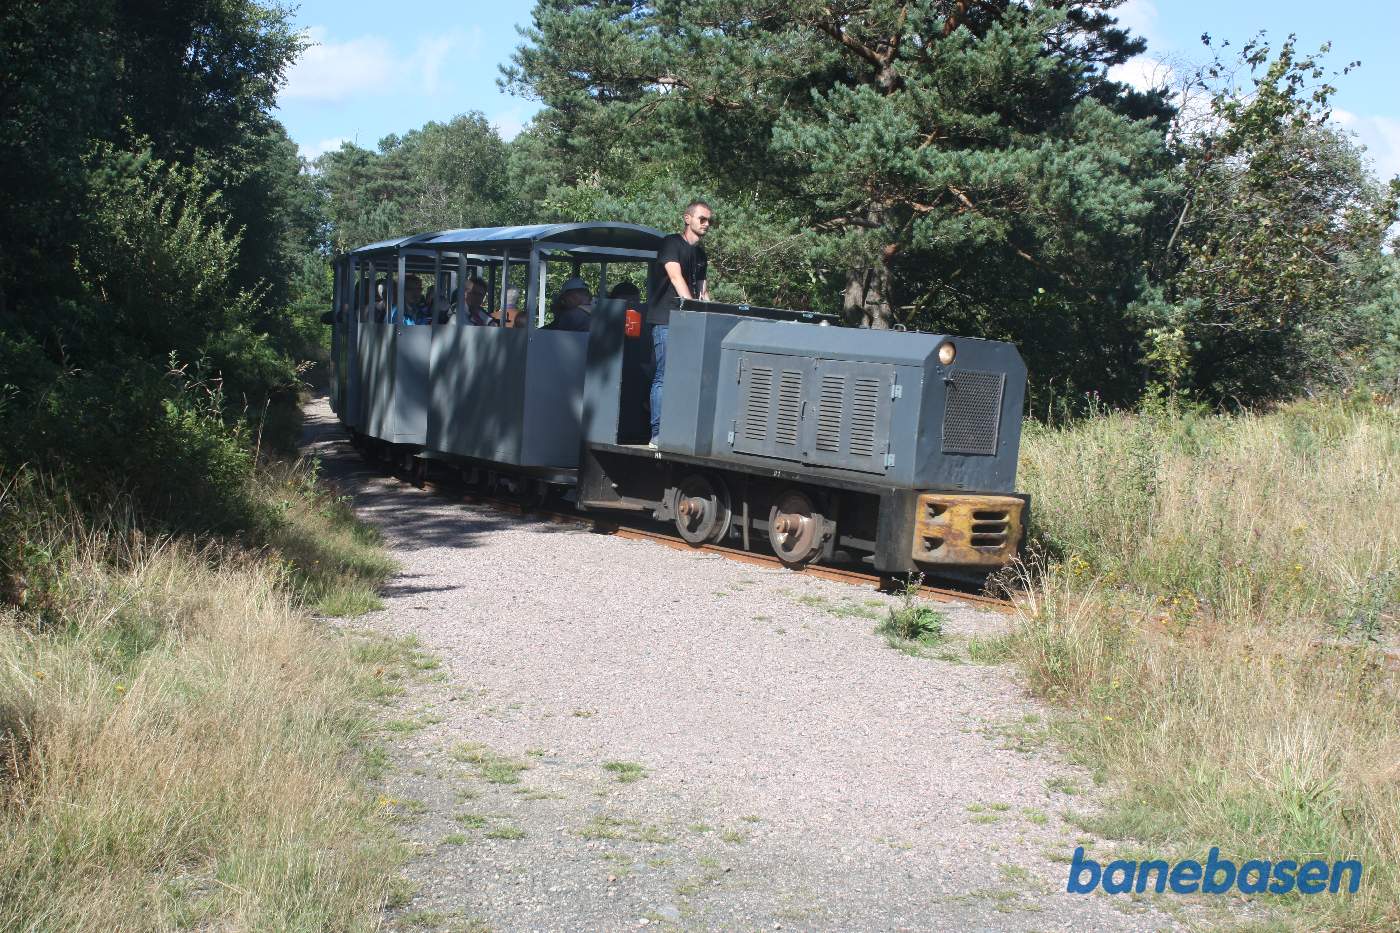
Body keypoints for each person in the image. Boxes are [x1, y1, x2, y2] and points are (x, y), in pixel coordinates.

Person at [645, 199, 712, 445]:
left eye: (709, 221)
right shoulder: (671, 243)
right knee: (664, 375)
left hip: (689, 321)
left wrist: (709, 315)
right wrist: (691, 305)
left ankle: (683, 430)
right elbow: (676, 277)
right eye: (702, 219)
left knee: (692, 375)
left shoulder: (701, 254)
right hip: (667, 320)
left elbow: (703, 292)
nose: (706, 224)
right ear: (687, 218)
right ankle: (657, 433)